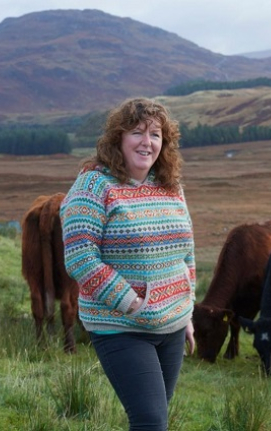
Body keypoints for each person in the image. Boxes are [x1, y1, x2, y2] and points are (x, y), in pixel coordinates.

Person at [60, 97, 195, 430]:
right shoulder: (94, 185)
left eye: (155, 135)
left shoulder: (171, 186)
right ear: (118, 137)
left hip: (172, 326)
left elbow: (186, 252)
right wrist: (130, 301)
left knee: (157, 418)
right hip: (121, 326)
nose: (146, 143)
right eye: (137, 132)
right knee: (150, 421)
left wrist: (187, 309)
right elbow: (79, 256)